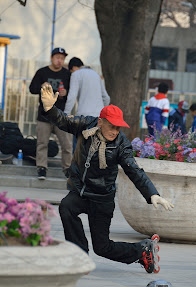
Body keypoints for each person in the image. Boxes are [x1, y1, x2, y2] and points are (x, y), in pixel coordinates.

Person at [40, 83, 174, 274]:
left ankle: (141, 250)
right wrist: (50, 108)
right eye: (111, 126)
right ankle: (79, 256)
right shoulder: (86, 124)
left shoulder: (121, 144)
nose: (115, 131)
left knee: (102, 247)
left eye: (118, 128)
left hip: (102, 198)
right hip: (81, 191)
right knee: (66, 207)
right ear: (101, 122)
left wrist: (152, 194)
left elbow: (134, 170)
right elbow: (64, 121)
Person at [29, 47, 72, 180]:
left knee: (67, 145)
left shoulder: (67, 74)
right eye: (57, 57)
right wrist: (41, 86)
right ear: (52, 58)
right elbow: (32, 89)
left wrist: (66, 93)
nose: (60, 60)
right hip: (44, 115)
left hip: (60, 116)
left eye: (62, 58)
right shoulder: (42, 72)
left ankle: (68, 169)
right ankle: (42, 168)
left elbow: (73, 93)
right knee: (42, 143)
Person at [64, 57, 110, 152]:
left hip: (83, 117)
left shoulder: (76, 74)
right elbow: (106, 98)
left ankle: (78, 167)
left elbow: (72, 97)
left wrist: (66, 114)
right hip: (98, 119)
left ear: (73, 68)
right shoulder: (96, 75)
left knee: (79, 149)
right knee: (95, 148)